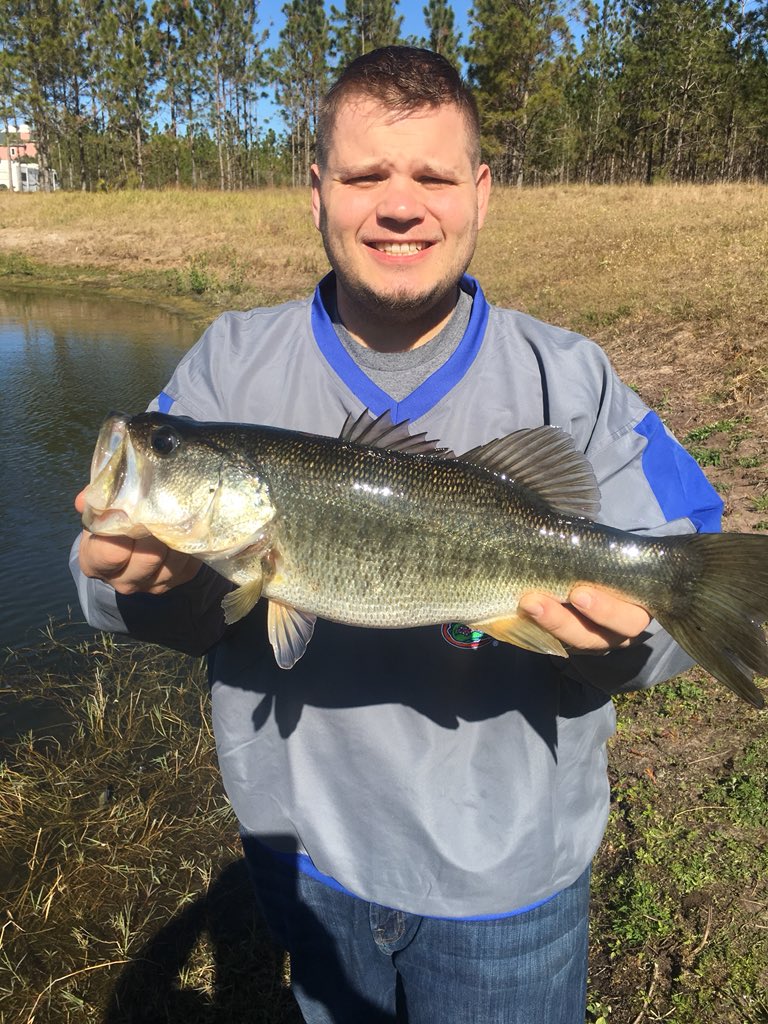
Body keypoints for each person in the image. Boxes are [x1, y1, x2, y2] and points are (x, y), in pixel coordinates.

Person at [71, 46, 722, 1024]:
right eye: (366, 174)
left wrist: (633, 636)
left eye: (433, 175)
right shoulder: (229, 366)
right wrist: (136, 585)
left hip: (509, 886)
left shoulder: (569, 375)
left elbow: (696, 538)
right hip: (311, 864)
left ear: (482, 193)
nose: (400, 204)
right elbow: (115, 586)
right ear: (317, 189)